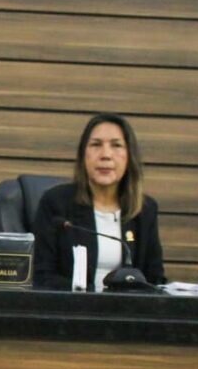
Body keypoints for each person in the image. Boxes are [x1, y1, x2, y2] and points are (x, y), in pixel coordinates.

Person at [32, 113, 165, 291]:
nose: (106, 155)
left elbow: (155, 279)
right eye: (96, 145)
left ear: (129, 156)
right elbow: (42, 276)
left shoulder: (145, 210)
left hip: (127, 307)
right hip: (70, 306)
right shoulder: (56, 203)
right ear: (83, 155)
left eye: (116, 145)